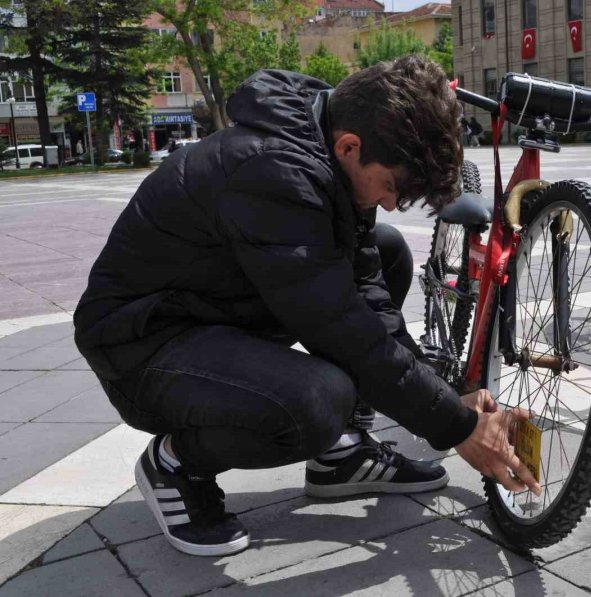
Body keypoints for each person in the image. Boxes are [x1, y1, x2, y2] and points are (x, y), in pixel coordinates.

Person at [74, 56, 539, 558]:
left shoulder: (324, 152)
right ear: (349, 146)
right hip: (144, 348)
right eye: (391, 186)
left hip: (213, 310)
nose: (388, 203)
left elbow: (368, 307)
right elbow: (342, 330)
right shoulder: (275, 173)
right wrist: (459, 427)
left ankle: (341, 455)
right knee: (318, 400)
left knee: (386, 252)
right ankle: (174, 464)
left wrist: (447, 397)